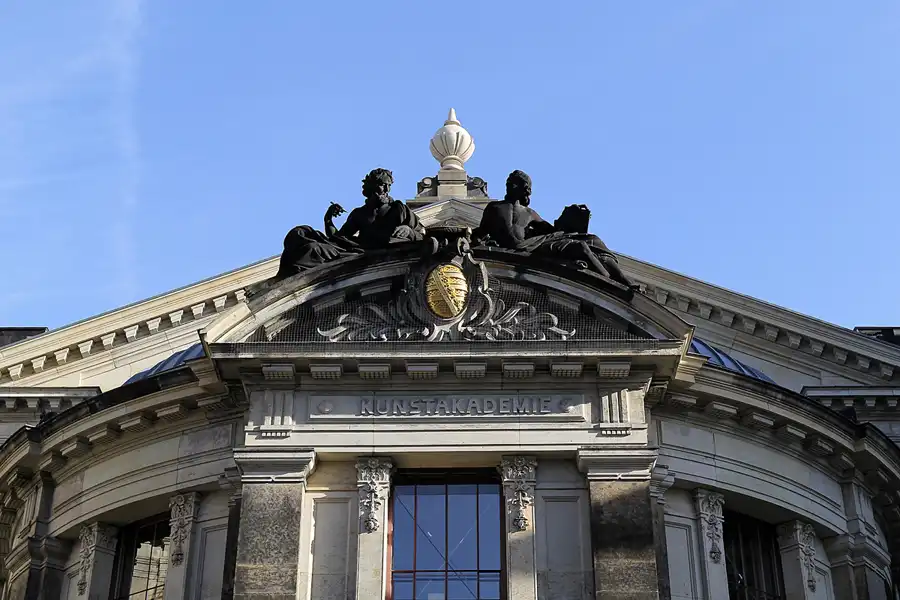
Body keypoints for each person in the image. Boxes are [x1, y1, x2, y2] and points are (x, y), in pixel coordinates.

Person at [473, 170, 637, 289]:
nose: (509, 185)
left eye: (514, 183)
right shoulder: (494, 207)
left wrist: (574, 215)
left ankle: (617, 281)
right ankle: (609, 283)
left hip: (532, 244)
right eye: (508, 182)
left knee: (591, 241)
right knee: (579, 246)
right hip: (518, 249)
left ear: (524, 189)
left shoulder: (530, 213)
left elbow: (557, 232)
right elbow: (481, 232)